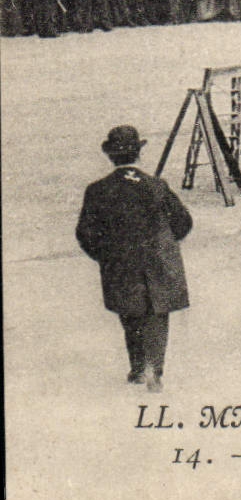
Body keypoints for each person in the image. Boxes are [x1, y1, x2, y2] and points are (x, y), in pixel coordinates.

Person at [76, 126, 192, 392]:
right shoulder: (156, 186)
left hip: (120, 263)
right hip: (158, 260)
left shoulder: (97, 190)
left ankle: (138, 367)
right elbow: (183, 222)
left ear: (110, 157)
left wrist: (105, 256)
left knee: (130, 314)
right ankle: (155, 368)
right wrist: (167, 245)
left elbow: (85, 233)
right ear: (138, 153)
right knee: (157, 314)